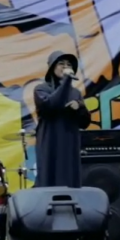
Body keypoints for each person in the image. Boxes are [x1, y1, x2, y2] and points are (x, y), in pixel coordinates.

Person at [33, 51, 91, 188]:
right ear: (52, 67)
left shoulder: (75, 93)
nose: (65, 67)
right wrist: (66, 81)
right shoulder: (41, 89)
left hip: (70, 143)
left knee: (69, 178)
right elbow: (51, 105)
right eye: (61, 64)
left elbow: (85, 123)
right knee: (49, 177)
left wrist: (80, 107)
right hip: (50, 142)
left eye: (68, 65)